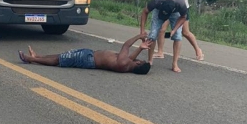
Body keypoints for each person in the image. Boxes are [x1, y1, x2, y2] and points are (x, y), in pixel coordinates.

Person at [18, 33, 152, 74]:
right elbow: (130, 58)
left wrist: (139, 36)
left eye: (141, 60)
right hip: (89, 55)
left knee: (60, 60)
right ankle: (37, 57)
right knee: (62, 56)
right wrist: (140, 48)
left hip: (88, 59)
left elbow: (126, 45)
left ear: (139, 63)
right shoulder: (127, 65)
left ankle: (29, 59)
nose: (138, 59)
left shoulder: (124, 63)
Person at [139, 0, 188, 73]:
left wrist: (174, 30)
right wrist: (142, 30)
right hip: (159, 10)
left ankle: (175, 63)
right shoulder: (157, 1)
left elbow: (183, 17)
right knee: (153, 34)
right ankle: (150, 61)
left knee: (177, 36)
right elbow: (145, 12)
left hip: (175, 12)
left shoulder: (181, 4)